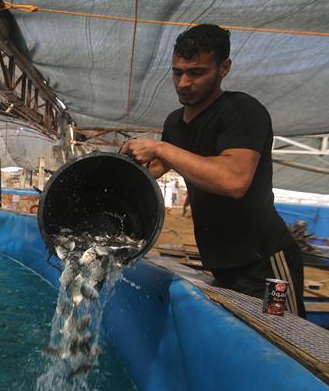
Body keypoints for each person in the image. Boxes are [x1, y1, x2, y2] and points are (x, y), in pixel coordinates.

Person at [121, 24, 306, 317]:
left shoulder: (241, 111)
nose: (183, 83)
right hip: (222, 265)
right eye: (177, 72)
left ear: (224, 68)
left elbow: (235, 180)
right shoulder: (175, 124)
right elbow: (152, 169)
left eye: (196, 73)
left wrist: (161, 148)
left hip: (266, 264)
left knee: (286, 341)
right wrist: (119, 168)